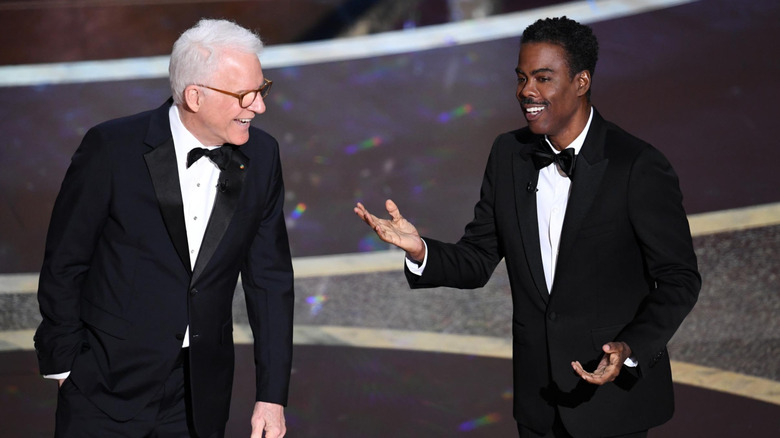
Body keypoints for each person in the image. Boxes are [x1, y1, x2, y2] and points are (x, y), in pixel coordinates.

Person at [355, 16, 700, 437]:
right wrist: (420, 250)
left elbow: (679, 278)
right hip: (539, 405)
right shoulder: (509, 154)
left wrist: (630, 349)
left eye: (542, 78)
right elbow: (479, 257)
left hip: (613, 406)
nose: (527, 92)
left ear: (581, 81)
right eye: (521, 78)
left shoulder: (637, 166)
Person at [34, 18, 294, 438]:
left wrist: (272, 395)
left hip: (198, 396)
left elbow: (270, 280)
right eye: (246, 95)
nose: (259, 107)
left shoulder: (263, 157)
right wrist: (65, 366)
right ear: (195, 95)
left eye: (261, 90)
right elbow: (66, 260)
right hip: (104, 386)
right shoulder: (112, 148)